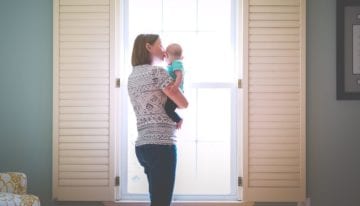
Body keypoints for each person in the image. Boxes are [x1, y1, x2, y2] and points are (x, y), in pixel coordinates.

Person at [127, 34, 188, 206]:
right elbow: (183, 103)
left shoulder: (132, 77)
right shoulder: (157, 72)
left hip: (143, 147)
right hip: (161, 146)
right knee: (161, 202)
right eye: (160, 46)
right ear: (148, 47)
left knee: (156, 199)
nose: (164, 50)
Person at [164, 43, 185, 129]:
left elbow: (179, 76)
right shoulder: (174, 64)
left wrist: (175, 86)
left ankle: (178, 119)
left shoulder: (176, 63)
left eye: (166, 56)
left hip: (176, 92)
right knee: (168, 108)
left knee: (167, 109)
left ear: (171, 56)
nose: (165, 59)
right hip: (174, 91)